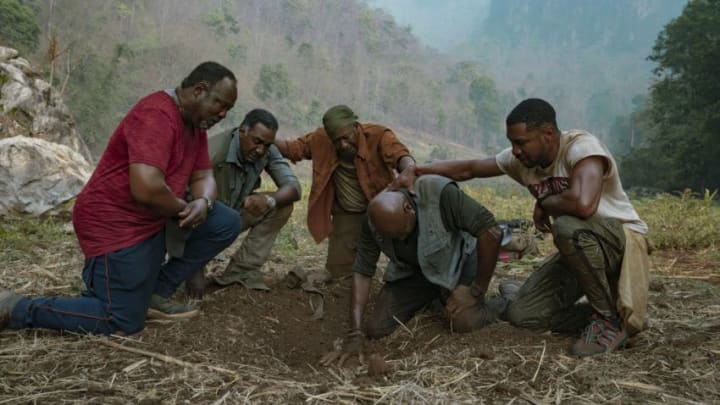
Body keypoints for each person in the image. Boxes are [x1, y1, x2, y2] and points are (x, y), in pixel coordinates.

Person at [0, 61, 242, 335]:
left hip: (153, 220)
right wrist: (184, 209)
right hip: (113, 223)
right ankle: (16, 307)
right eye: (220, 104)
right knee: (121, 319)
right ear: (199, 90)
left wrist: (204, 203)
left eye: (228, 110)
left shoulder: (196, 128)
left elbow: (203, 177)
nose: (223, 114)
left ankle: (155, 292)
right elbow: (146, 189)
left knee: (225, 221)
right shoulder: (157, 114)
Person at [410, 98, 651, 357]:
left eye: (521, 142)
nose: (515, 150)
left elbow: (583, 205)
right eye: (512, 142)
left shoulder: (582, 148)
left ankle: (607, 321)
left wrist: (545, 203)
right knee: (522, 314)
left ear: (547, 134)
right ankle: (606, 314)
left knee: (568, 228)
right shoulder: (522, 162)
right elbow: (470, 169)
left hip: (620, 242)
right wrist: (417, 171)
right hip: (581, 251)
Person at [321, 175, 506, 366]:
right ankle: (436, 297)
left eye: (402, 233)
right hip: (416, 272)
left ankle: (504, 302)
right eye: (393, 238)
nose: (401, 240)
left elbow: (491, 232)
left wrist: (475, 290)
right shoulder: (373, 219)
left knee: (463, 322)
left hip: (459, 262)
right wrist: (355, 333)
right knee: (377, 328)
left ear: (408, 208)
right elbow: (363, 270)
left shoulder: (439, 194)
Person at [274, 105, 416, 281]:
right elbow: (293, 149)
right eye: (336, 141)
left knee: (407, 258)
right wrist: (267, 139)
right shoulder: (321, 139)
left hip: (382, 208)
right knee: (338, 273)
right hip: (348, 213)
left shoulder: (378, 135)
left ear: (356, 127)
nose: (343, 145)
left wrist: (409, 169)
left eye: (346, 138)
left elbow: (400, 155)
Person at [185, 108, 301, 295]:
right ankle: (194, 261)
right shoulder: (213, 154)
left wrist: (268, 199)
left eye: (266, 144)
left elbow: (294, 188)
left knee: (282, 204)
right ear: (242, 131)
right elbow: (185, 205)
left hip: (233, 214)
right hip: (204, 221)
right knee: (195, 287)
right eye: (256, 142)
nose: (260, 150)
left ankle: (240, 271)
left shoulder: (267, 151)